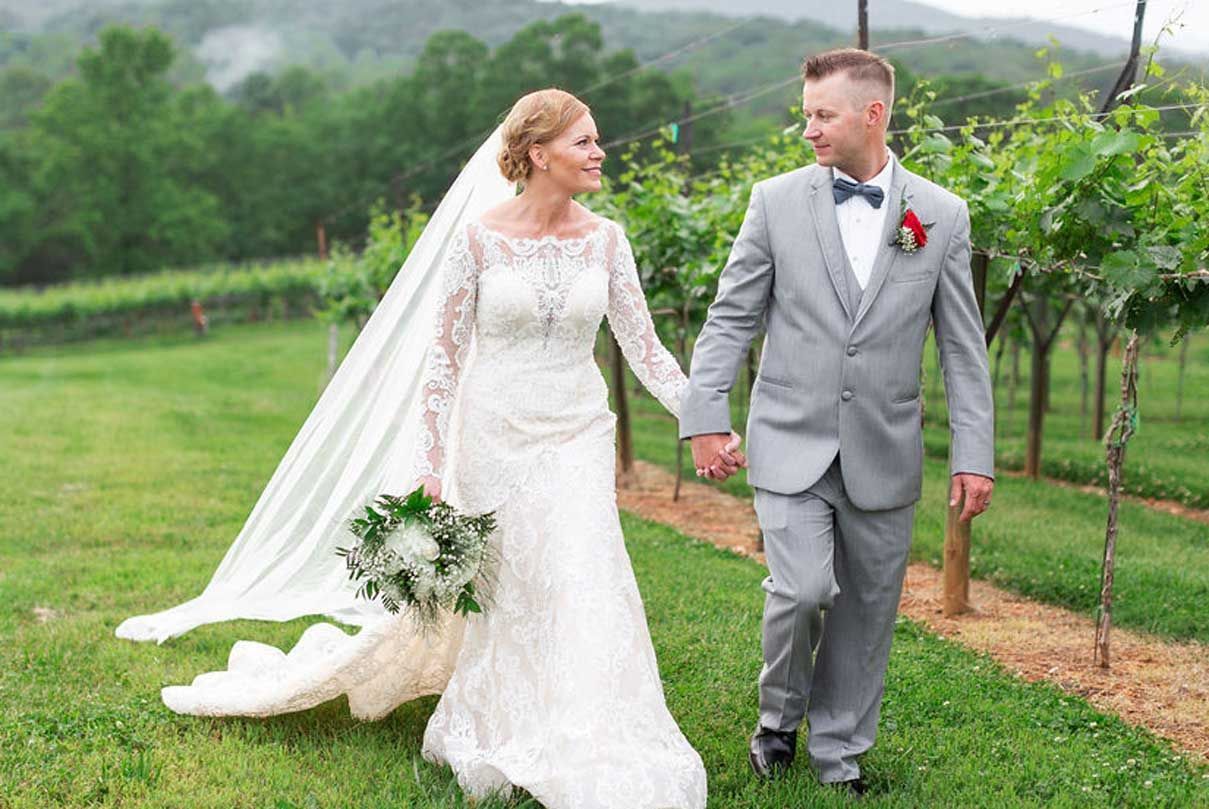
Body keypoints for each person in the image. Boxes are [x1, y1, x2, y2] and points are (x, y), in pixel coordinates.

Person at [116, 89, 713, 809]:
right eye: (584, 141)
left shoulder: (607, 240)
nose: (599, 152)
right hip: (494, 436)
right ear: (536, 153)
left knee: (582, 570)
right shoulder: (479, 240)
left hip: (578, 430)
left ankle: (596, 726)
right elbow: (442, 360)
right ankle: (505, 716)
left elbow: (646, 351)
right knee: (515, 587)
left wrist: (702, 417)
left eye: (595, 141)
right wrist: (429, 468)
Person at [680, 48, 995, 797]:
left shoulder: (940, 215)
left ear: (872, 115)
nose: (808, 129)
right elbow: (730, 317)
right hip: (788, 435)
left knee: (867, 608)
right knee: (802, 589)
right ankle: (775, 721)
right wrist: (703, 415)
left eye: (822, 115)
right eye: (806, 113)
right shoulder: (774, 200)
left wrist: (972, 454)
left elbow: (961, 346)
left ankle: (840, 755)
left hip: (884, 448)